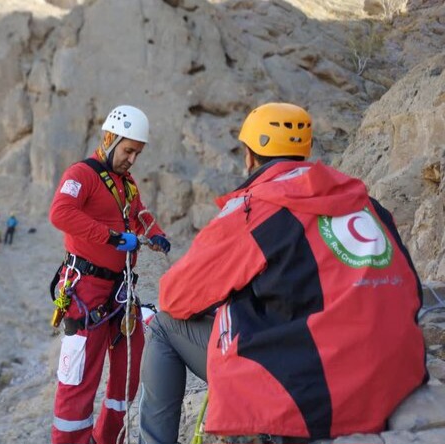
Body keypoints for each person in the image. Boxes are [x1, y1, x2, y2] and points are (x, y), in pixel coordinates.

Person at [137, 103, 427, 444]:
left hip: (316, 391)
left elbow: (175, 296)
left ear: (249, 155)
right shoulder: (365, 202)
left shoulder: (257, 208)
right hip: (394, 378)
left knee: (163, 326)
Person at [49, 105, 171, 444]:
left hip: (120, 292)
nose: (132, 159)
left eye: (138, 153)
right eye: (129, 150)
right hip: (86, 289)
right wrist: (112, 237)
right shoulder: (81, 175)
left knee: (128, 369)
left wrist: (155, 232)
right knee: (79, 378)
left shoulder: (126, 183)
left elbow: (138, 212)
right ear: (110, 138)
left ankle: (107, 437)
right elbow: (60, 213)